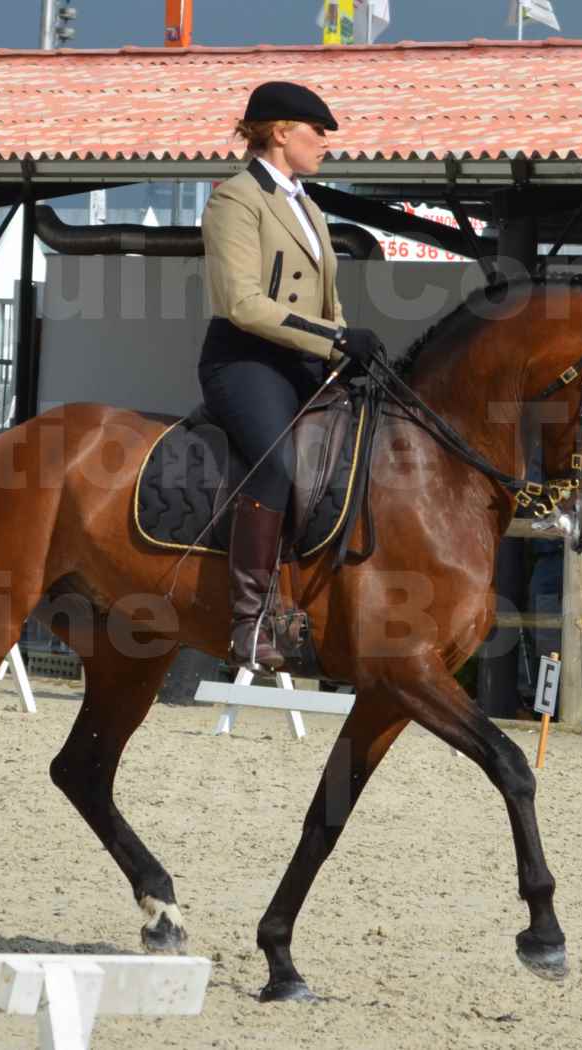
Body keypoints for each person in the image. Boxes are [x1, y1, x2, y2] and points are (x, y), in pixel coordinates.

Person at [200, 80, 384, 671]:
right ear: (281, 133)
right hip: (247, 360)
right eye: (317, 132)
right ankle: (249, 623)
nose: (325, 143)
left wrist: (348, 346)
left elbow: (327, 302)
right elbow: (243, 303)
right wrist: (333, 339)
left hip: (305, 360)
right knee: (276, 464)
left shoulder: (306, 205)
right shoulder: (235, 200)